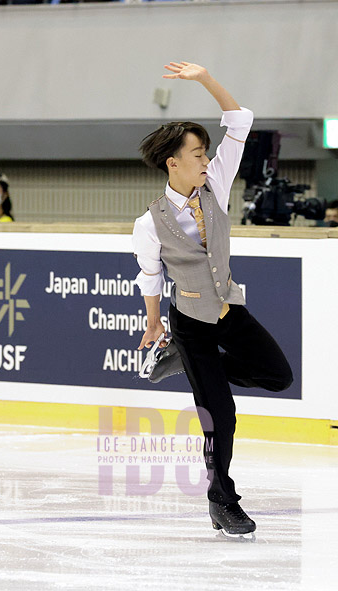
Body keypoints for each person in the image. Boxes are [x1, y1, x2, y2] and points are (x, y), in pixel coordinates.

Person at [133, 62, 293, 537]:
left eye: (207, 153)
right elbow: (150, 274)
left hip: (230, 309)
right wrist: (154, 323)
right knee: (220, 418)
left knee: (279, 375)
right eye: (197, 154)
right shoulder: (150, 223)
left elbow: (240, 119)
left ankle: (190, 365)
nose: (206, 161)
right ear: (173, 163)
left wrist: (205, 80)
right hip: (191, 324)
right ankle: (223, 502)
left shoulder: (215, 188)